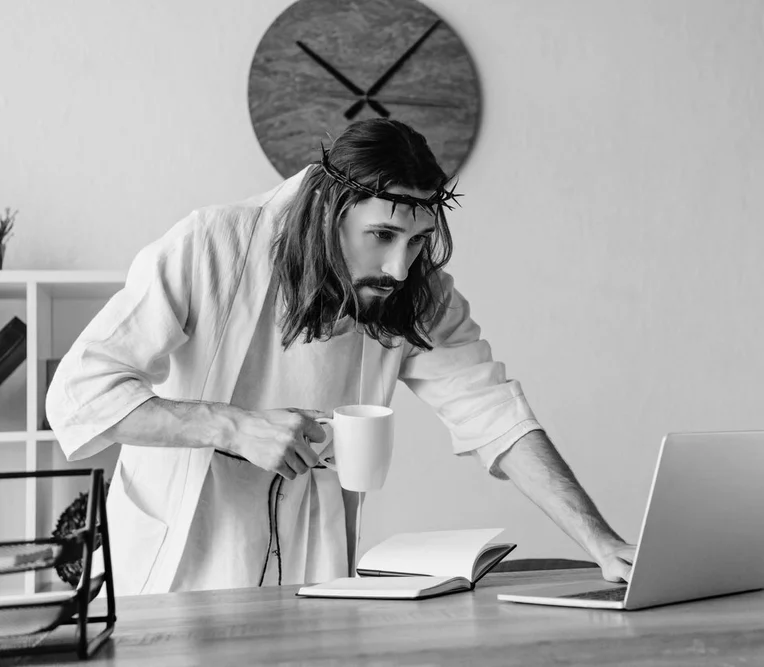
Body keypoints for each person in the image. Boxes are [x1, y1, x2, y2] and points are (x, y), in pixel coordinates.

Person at [47, 118, 635, 595]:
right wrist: (232, 426)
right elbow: (79, 394)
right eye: (382, 235)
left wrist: (601, 542)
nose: (399, 268)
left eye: (418, 241)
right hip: (178, 566)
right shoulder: (211, 245)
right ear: (329, 211)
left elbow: (495, 414)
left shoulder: (418, 293)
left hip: (313, 567)